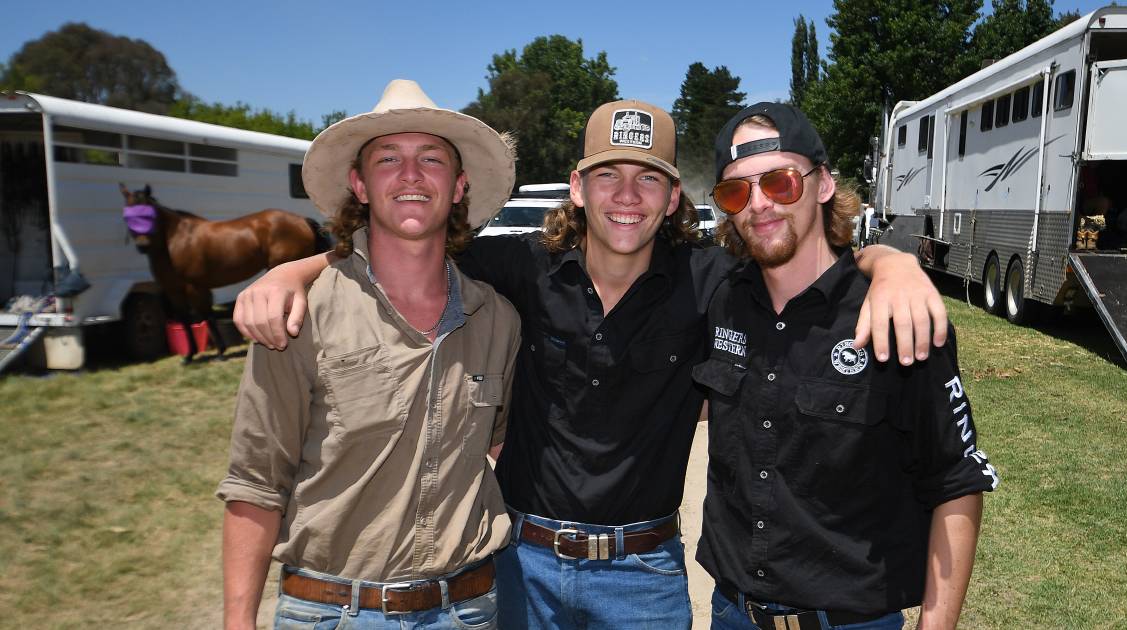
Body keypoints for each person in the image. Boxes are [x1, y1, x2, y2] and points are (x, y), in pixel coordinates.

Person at [232, 100, 948, 629]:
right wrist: (299, 268)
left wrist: (893, 266)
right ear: (577, 187)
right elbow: (405, 239)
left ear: (674, 198)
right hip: (522, 567)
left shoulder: (710, 281)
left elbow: (806, 263)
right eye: (608, 175)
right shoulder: (520, 267)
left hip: (644, 577)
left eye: (648, 179)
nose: (626, 196)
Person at [215, 79, 521, 629]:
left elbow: (498, 444)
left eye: (431, 158)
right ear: (359, 184)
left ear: (458, 186)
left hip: (468, 611)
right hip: (333, 614)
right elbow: (256, 485)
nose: (410, 175)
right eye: (388, 159)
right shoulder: (298, 313)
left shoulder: (496, 319)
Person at [696, 102, 999, 630]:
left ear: (824, 184)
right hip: (733, 615)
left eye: (780, 182)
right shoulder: (720, 299)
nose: (759, 205)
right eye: (736, 191)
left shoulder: (894, 314)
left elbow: (956, 482)